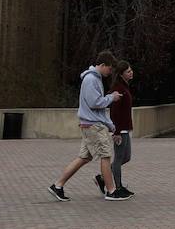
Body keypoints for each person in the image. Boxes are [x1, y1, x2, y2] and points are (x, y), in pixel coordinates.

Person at [48, 50, 127, 202]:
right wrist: (112, 97)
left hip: (89, 124)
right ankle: (111, 191)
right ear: (103, 65)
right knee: (105, 155)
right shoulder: (91, 79)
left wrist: (109, 124)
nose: (110, 72)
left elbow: (96, 105)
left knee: (84, 157)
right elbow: (95, 103)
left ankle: (57, 185)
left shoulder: (93, 79)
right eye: (109, 68)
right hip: (93, 126)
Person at [99, 60, 135, 197]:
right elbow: (114, 112)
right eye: (128, 71)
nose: (131, 73)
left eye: (131, 70)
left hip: (126, 127)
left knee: (126, 157)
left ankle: (102, 178)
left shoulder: (124, 87)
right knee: (119, 158)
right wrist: (116, 131)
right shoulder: (118, 89)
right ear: (121, 74)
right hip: (120, 129)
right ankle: (118, 187)